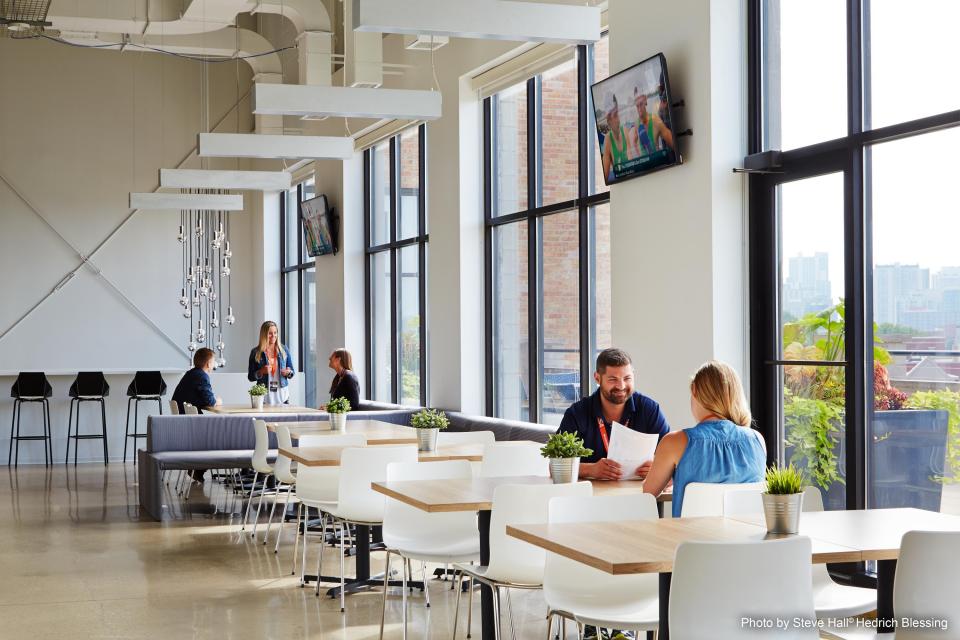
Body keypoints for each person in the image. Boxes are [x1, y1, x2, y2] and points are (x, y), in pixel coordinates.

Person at [643, 361, 766, 518]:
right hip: (745, 541)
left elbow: (647, 496)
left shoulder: (675, 442)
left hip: (689, 542)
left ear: (694, 391)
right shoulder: (757, 441)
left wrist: (673, 476)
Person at [557, 348, 670, 480]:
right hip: (591, 497)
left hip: (638, 496)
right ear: (597, 378)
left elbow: (671, 456)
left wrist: (657, 466)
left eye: (627, 378)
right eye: (613, 379)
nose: (621, 386)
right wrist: (591, 470)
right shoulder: (577, 413)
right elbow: (556, 466)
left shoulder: (650, 409)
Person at [171, 348, 222, 482]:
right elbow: (209, 401)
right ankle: (198, 469)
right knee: (219, 434)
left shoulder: (191, 374)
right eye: (213, 361)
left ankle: (197, 470)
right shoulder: (202, 376)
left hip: (184, 422)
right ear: (208, 364)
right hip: (192, 425)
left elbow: (198, 397)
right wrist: (217, 401)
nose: (214, 364)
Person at [247, 321, 295, 406]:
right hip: (264, 395)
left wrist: (288, 372)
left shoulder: (284, 349)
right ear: (263, 334)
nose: (273, 336)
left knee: (284, 419)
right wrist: (261, 372)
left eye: (275, 333)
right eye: (270, 333)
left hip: (282, 395)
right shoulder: (255, 352)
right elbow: (250, 377)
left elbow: (292, 371)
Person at [629, 87, 675, 156]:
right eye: (636, 99)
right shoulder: (635, 125)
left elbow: (673, 145)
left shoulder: (656, 121)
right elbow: (633, 143)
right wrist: (638, 156)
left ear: (645, 99)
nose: (638, 102)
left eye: (640, 98)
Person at [600, 95, 633, 182]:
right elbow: (605, 178)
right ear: (608, 120)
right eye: (614, 116)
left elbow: (631, 165)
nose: (618, 120)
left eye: (617, 114)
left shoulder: (625, 132)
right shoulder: (607, 140)